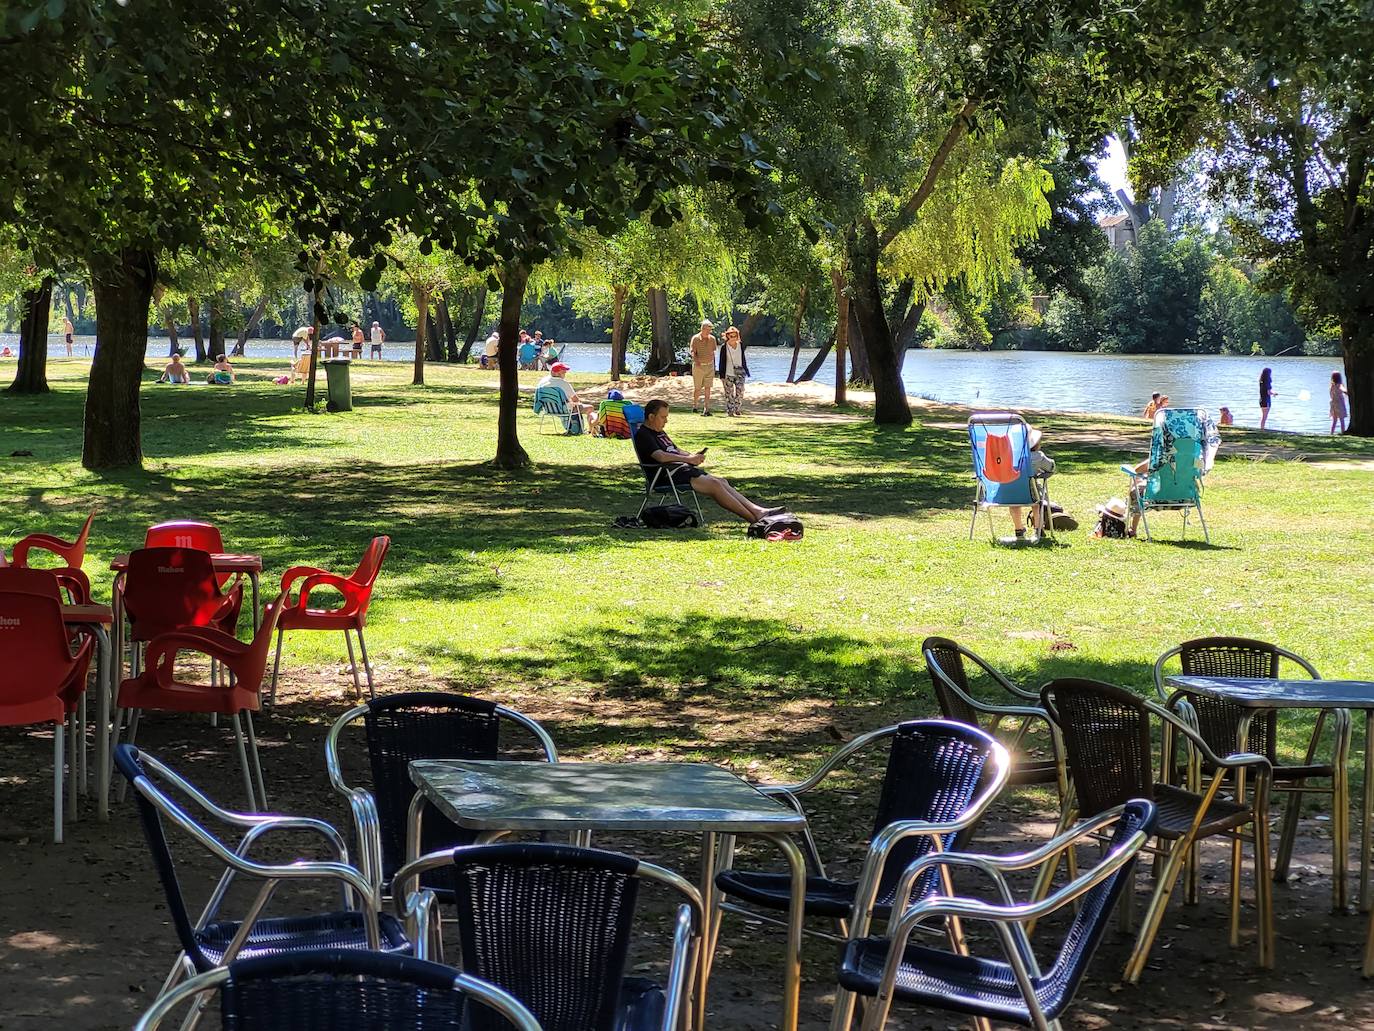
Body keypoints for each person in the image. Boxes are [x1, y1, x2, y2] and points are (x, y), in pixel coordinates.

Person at [634, 400, 786, 523]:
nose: (666, 421)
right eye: (663, 417)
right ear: (651, 417)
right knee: (715, 485)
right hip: (666, 474)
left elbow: (675, 450)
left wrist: (693, 456)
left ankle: (758, 511)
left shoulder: (660, 432)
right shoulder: (644, 434)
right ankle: (754, 519)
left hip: (680, 470)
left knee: (722, 482)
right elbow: (661, 456)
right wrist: (687, 459)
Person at [1008, 425, 1055, 540]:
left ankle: (1018, 529)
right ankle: (1038, 529)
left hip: (1007, 493)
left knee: (1014, 504)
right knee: (1037, 502)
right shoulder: (1038, 456)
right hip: (1030, 493)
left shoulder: (1006, 456)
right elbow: (1051, 467)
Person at [536, 362, 599, 434]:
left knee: (573, 405)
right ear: (557, 373)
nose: (565, 373)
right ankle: (591, 431)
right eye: (563, 372)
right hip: (564, 410)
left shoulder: (542, 382)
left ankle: (575, 426)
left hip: (549, 409)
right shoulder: (563, 383)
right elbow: (576, 399)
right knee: (589, 408)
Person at [718, 325, 749, 417]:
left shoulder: (741, 345)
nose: (733, 338)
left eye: (735, 336)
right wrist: (722, 376)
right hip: (728, 372)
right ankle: (730, 410)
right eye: (731, 336)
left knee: (740, 391)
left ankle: (737, 409)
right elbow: (722, 362)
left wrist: (746, 370)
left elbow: (743, 359)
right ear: (727, 336)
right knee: (729, 393)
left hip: (740, 372)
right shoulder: (724, 347)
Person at [689, 320, 718, 415]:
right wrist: (696, 361)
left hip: (709, 366)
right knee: (697, 388)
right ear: (702, 329)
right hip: (699, 367)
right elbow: (693, 352)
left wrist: (713, 363)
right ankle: (695, 405)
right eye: (707, 330)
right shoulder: (696, 338)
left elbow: (713, 352)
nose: (708, 332)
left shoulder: (712, 339)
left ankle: (706, 408)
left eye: (710, 330)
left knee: (708, 387)